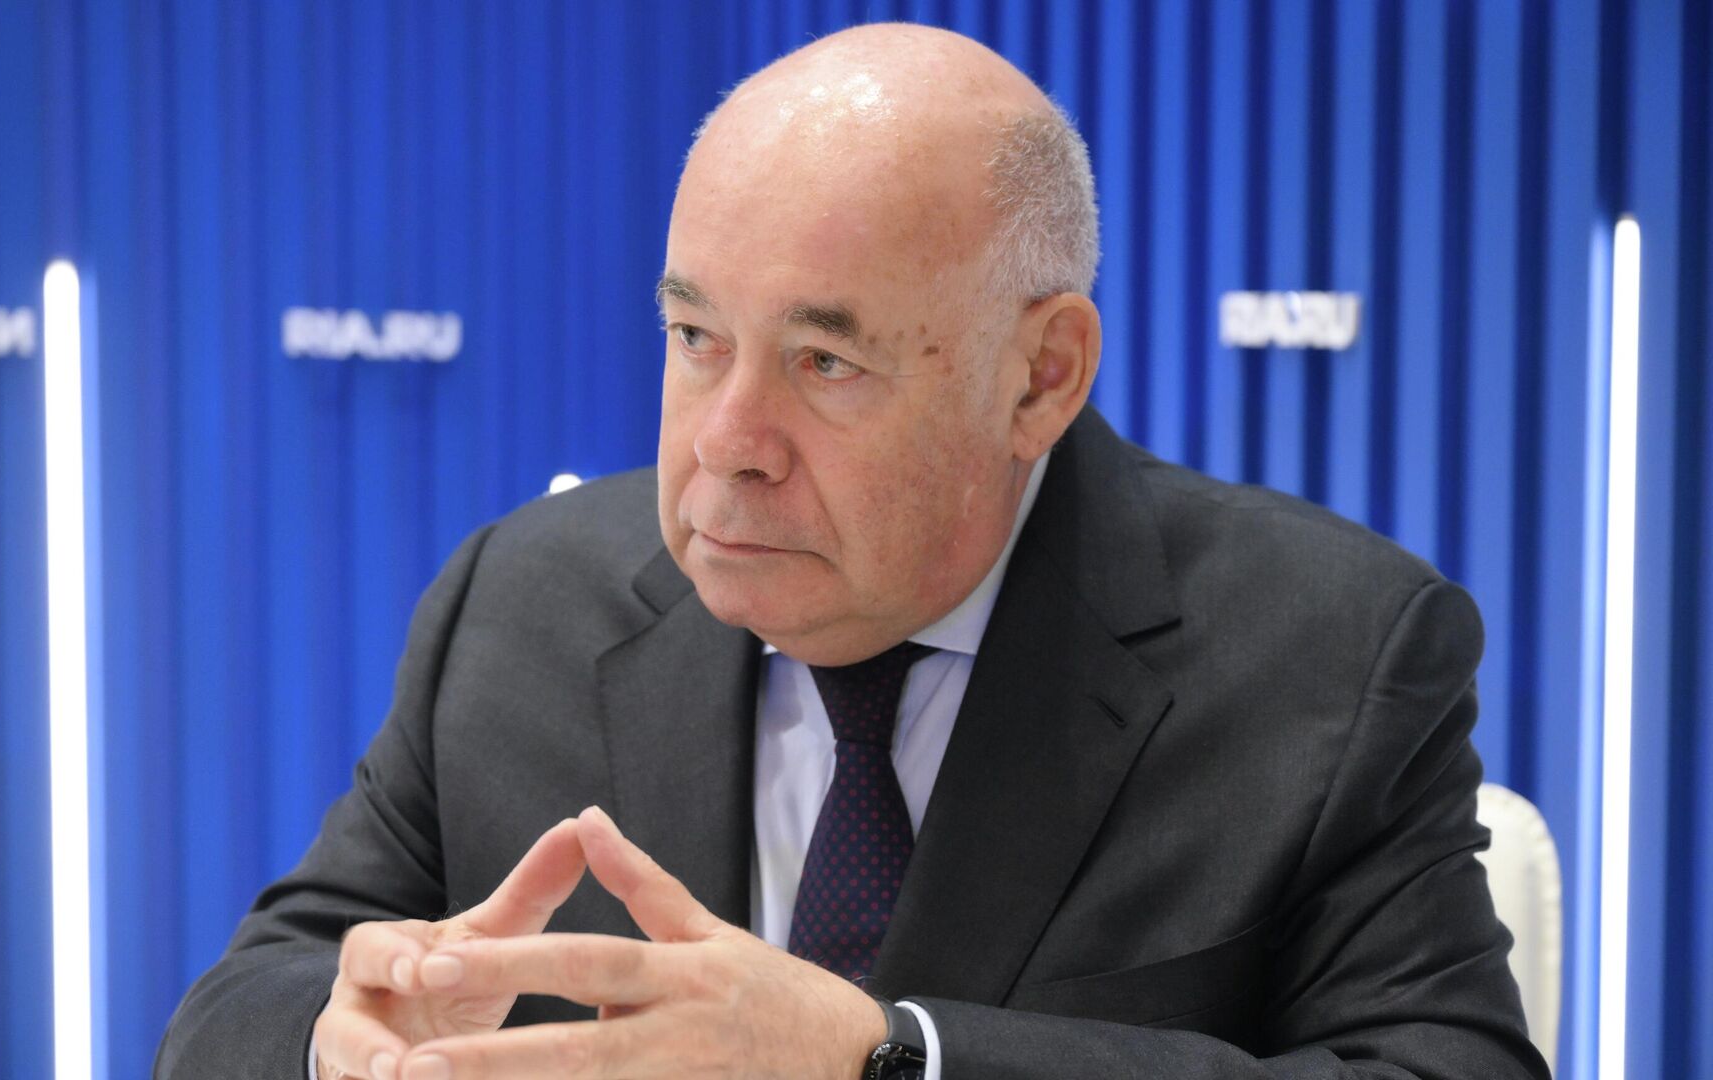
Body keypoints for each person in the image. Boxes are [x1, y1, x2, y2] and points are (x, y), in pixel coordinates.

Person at [157, 22, 1548, 1080]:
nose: (727, 442)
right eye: (696, 338)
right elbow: (239, 1009)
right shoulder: (519, 605)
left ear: (1042, 376)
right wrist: (345, 1034)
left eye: (824, 361)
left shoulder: (1330, 654)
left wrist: (891, 1059)